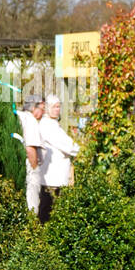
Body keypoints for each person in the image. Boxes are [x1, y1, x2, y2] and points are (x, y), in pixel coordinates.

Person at [37, 94, 78, 223]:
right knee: (47, 207)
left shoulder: (53, 123)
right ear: (48, 108)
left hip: (56, 175)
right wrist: (76, 148)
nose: (57, 109)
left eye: (58, 107)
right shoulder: (47, 125)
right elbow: (66, 144)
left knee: (52, 206)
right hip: (51, 175)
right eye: (54, 107)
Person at [16, 96, 46, 214]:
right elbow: (30, 148)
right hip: (30, 167)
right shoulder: (31, 120)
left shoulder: (19, 116)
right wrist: (35, 169)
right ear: (34, 108)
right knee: (32, 201)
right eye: (42, 109)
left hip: (20, 164)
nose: (43, 113)